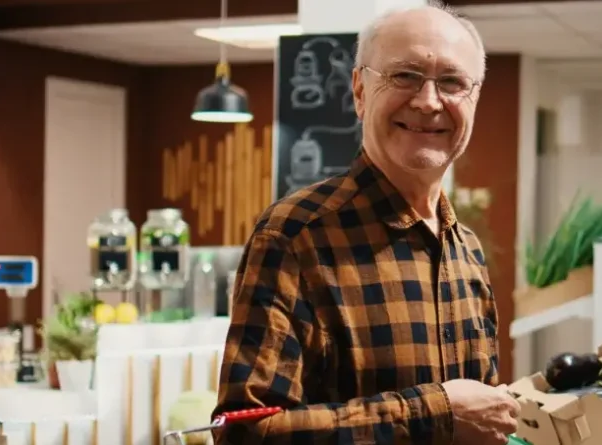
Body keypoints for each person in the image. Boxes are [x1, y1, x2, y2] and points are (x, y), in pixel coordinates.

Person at [213, 3, 521, 445]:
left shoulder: (465, 247)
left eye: (452, 82)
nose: (429, 101)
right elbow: (243, 433)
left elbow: (480, 419)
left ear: (473, 99)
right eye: (405, 76)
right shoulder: (296, 236)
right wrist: (434, 414)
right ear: (359, 91)